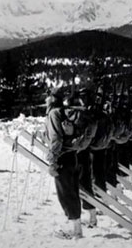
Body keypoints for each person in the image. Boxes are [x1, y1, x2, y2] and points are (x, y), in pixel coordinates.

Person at [44, 88, 95, 239]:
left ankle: (77, 231)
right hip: (73, 155)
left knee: (66, 194)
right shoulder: (67, 112)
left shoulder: (54, 114)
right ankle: (78, 228)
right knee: (73, 191)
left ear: (51, 99)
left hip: (62, 158)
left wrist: (52, 161)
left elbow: (56, 139)